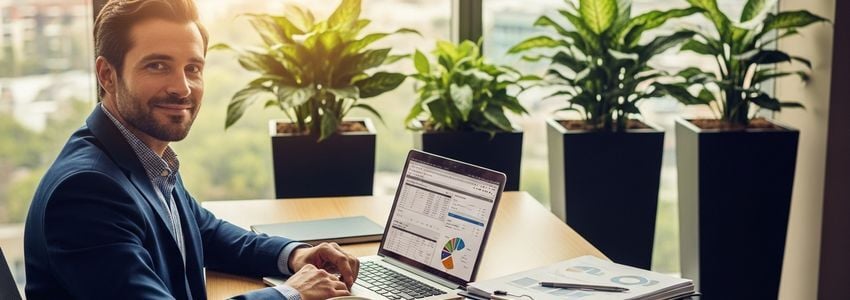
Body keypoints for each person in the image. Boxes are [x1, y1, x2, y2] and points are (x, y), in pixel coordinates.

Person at [23, 0, 359, 299]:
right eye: (157, 65)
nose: (181, 87)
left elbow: (204, 232)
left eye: (193, 68)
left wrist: (294, 255)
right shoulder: (86, 191)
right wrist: (290, 294)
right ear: (107, 75)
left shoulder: (143, 154)